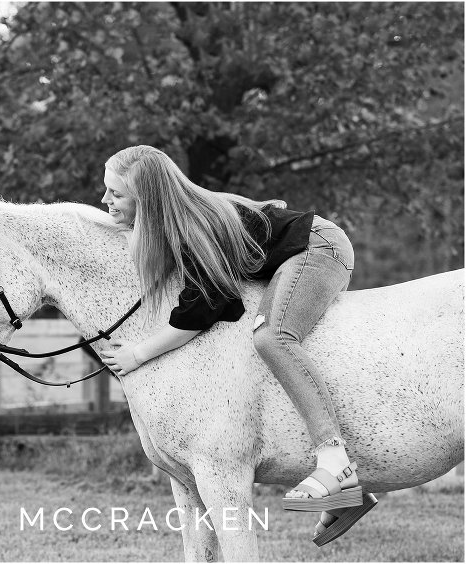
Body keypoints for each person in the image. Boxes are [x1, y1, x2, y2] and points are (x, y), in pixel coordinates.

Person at [98, 145, 368, 542]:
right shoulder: (180, 221)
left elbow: (207, 308)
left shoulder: (193, 227)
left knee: (273, 337)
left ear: (149, 200)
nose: (105, 199)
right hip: (297, 250)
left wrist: (137, 353)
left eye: (116, 193)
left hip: (319, 247)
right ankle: (352, 493)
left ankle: (336, 467)